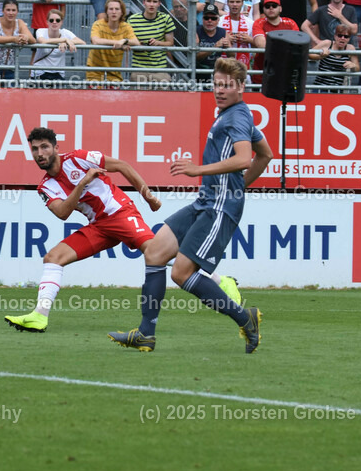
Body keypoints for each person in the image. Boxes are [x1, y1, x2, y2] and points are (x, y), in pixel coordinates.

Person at [108, 57, 271, 353]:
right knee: (155, 252)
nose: (219, 90)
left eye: (227, 86)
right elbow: (266, 154)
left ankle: (244, 317)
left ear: (241, 87)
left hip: (219, 208)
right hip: (206, 201)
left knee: (181, 273)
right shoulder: (233, 113)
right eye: (217, 84)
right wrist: (239, 186)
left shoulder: (236, 117)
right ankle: (146, 334)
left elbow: (244, 158)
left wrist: (199, 171)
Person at [4, 126, 163, 333]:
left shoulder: (79, 158)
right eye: (35, 149)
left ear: (56, 148)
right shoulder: (45, 186)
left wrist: (148, 197)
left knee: (156, 251)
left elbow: (123, 166)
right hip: (98, 226)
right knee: (53, 257)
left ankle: (210, 276)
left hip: (120, 213)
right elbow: (62, 213)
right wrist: (83, 183)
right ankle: (39, 316)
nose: (40, 153)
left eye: (44, 147)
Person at [126, 0, 176, 82]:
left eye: (154, 1)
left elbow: (170, 43)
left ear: (159, 3)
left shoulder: (166, 18)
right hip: (138, 68)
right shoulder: (132, 20)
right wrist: (137, 44)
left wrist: (158, 43)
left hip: (160, 69)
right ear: (144, 2)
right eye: (149, 1)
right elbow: (127, 42)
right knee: (137, 96)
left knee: (164, 94)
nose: (151, 4)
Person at [89, 0, 139, 82]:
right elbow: (95, 41)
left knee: (115, 95)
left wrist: (125, 41)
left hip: (115, 72)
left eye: (117, 9)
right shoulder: (98, 24)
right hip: (95, 70)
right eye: (111, 9)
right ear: (106, 11)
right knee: (95, 95)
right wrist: (118, 43)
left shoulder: (126, 26)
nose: (114, 12)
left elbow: (136, 42)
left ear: (122, 12)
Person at [0, 0, 33, 81]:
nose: (11, 13)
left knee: (11, 93)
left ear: (17, 12)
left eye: (13, 10)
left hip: (10, 69)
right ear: (2, 11)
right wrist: (14, 39)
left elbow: (32, 39)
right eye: (8, 10)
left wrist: (25, 38)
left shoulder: (19, 22)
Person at [32, 9, 83, 81]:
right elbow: (43, 41)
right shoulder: (41, 31)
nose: (54, 22)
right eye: (51, 20)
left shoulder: (65, 32)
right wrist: (63, 40)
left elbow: (82, 42)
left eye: (58, 20)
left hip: (58, 74)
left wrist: (65, 42)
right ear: (47, 22)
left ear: (61, 22)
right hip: (40, 73)